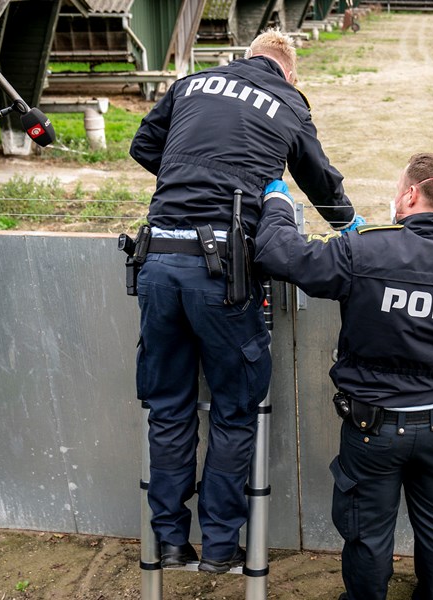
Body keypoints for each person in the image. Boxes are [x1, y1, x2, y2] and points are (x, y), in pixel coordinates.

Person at [128, 29, 360, 573]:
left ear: (248, 57)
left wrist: (189, 179)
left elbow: (143, 147)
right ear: (290, 72)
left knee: (167, 405)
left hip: (157, 261)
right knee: (234, 412)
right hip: (223, 275)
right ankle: (218, 548)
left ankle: (166, 541)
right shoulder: (287, 102)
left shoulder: (190, 83)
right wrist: (354, 228)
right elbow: (320, 182)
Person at [255, 153, 433, 600]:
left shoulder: (363, 249)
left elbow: (280, 255)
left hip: (372, 430)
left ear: (409, 194)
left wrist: (277, 205)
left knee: (368, 535)